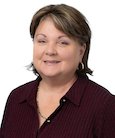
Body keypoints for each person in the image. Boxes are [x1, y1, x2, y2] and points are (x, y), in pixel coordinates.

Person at [0, 4, 115, 138]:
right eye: (42, 41)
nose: (50, 51)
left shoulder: (105, 105)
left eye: (63, 42)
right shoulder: (17, 98)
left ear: (81, 51)